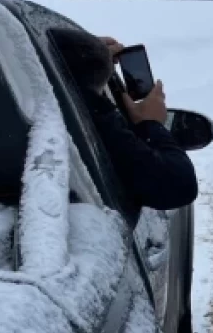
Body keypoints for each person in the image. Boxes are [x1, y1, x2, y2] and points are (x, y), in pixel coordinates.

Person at [49, 28, 198, 212]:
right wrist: (151, 124)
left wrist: (88, 57)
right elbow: (179, 186)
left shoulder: (45, 102)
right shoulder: (88, 114)